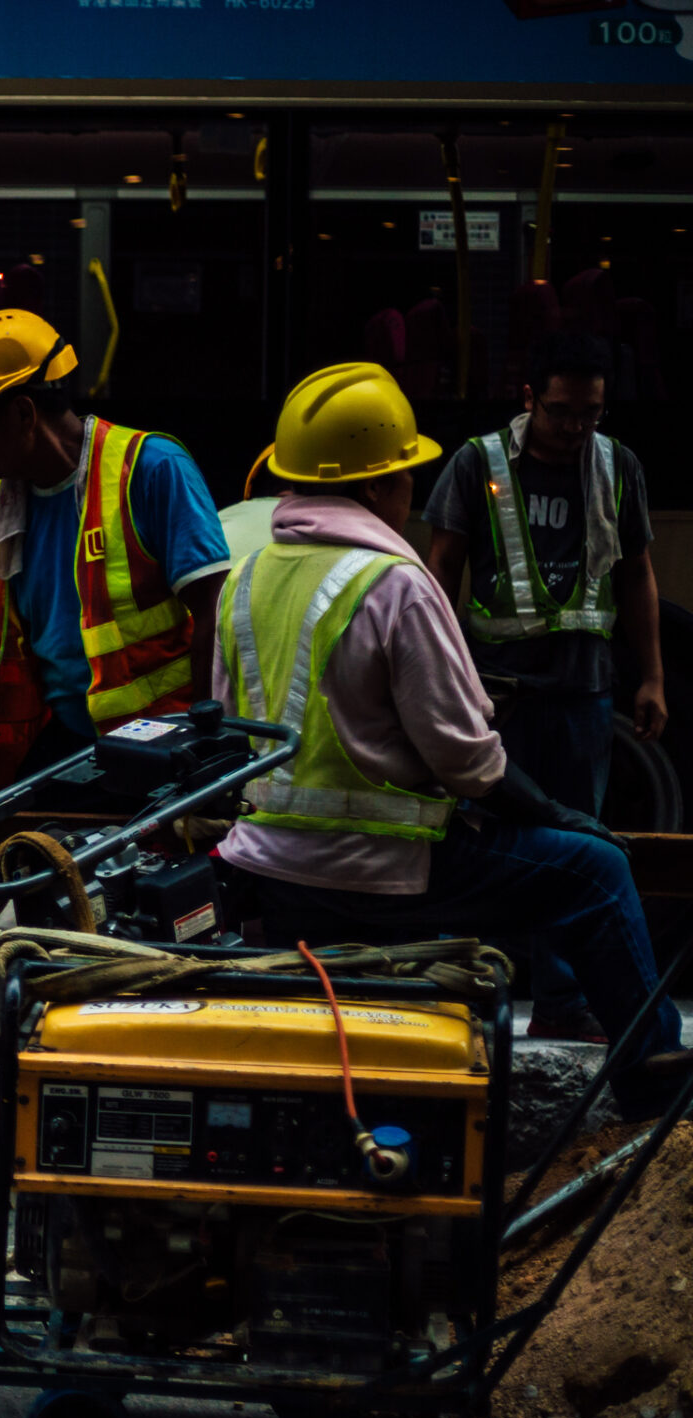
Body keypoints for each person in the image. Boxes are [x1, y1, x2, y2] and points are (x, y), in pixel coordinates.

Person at [213, 362, 682, 1115]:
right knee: (595, 871)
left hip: (269, 865)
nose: (415, 497)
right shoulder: (391, 583)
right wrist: (557, 815)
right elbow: (467, 762)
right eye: (406, 476)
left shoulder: (249, 575)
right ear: (375, 488)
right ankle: (655, 1086)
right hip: (381, 866)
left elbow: (231, 727)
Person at [425, 331, 665, 1042]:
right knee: (488, 844)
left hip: (583, 693)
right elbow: (440, 572)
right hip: (497, 695)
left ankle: (561, 1003)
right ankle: (474, 988)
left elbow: (636, 573)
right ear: (528, 399)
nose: (574, 429)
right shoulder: (477, 464)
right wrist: (442, 676)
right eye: (561, 412)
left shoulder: (617, 466)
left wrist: (650, 675)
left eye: (590, 413)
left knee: (575, 844)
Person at [0, 309, 232, 807]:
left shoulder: (150, 468)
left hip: (164, 749)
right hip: (72, 748)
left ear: (23, 414)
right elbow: (6, 658)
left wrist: (207, 757)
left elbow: (218, 615)